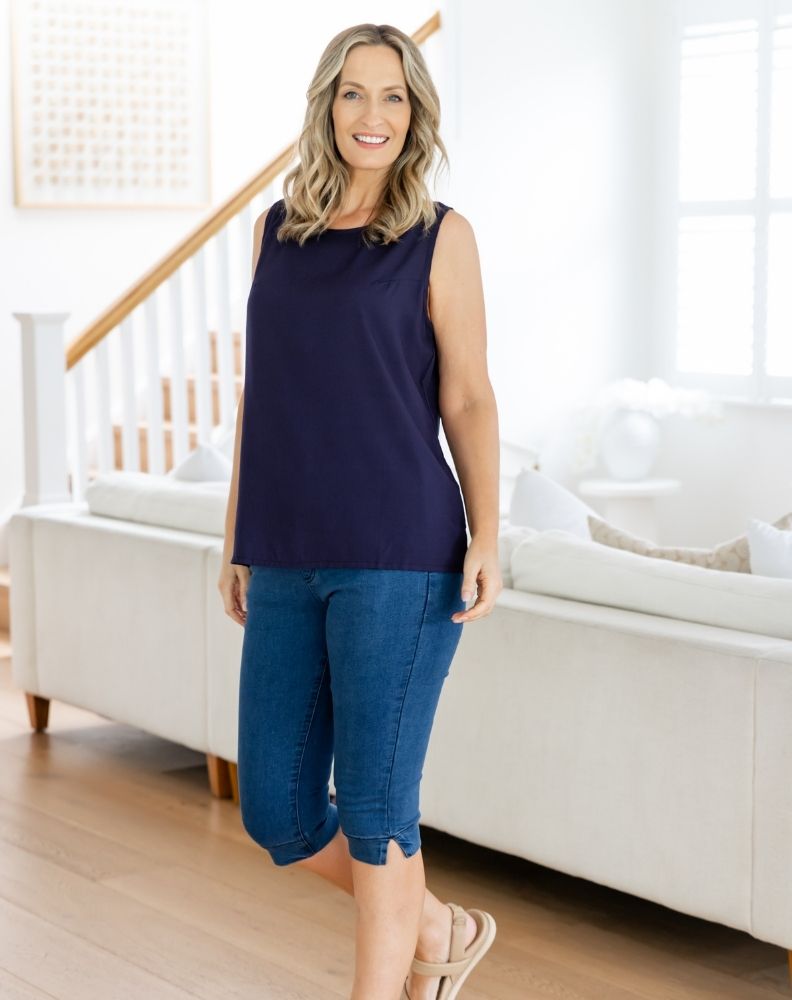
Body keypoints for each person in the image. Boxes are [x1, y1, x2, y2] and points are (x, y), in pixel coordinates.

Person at [218, 22, 502, 1000]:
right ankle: (439, 926)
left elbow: (468, 396)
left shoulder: (441, 237)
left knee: (379, 813)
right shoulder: (276, 231)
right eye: (352, 93)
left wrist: (489, 534)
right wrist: (238, 539)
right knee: (277, 810)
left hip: (400, 554)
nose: (371, 114)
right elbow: (263, 395)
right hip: (287, 551)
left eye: (392, 96)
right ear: (326, 107)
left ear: (415, 113)